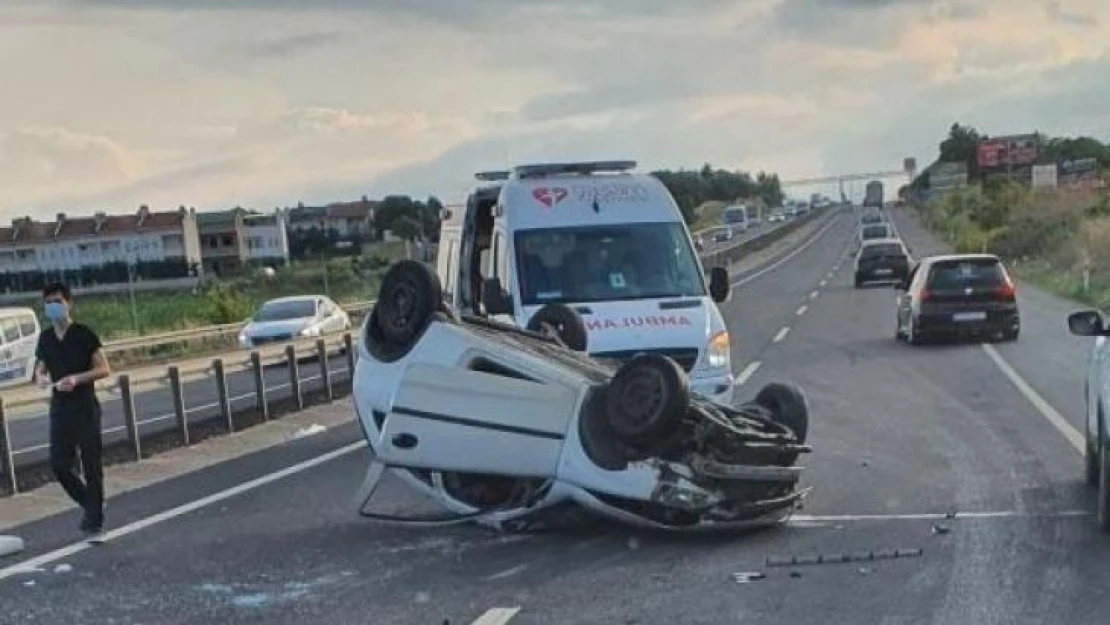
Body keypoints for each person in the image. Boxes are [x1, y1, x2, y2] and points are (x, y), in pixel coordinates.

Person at [34, 282, 111, 539]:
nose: (52, 307)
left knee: (91, 463)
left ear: (68, 303)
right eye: (48, 303)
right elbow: (41, 368)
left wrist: (77, 379)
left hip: (84, 406)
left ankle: (94, 519)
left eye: (57, 301)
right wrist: (41, 378)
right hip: (59, 407)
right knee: (60, 465)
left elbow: (103, 368)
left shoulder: (83, 334)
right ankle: (92, 503)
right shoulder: (45, 338)